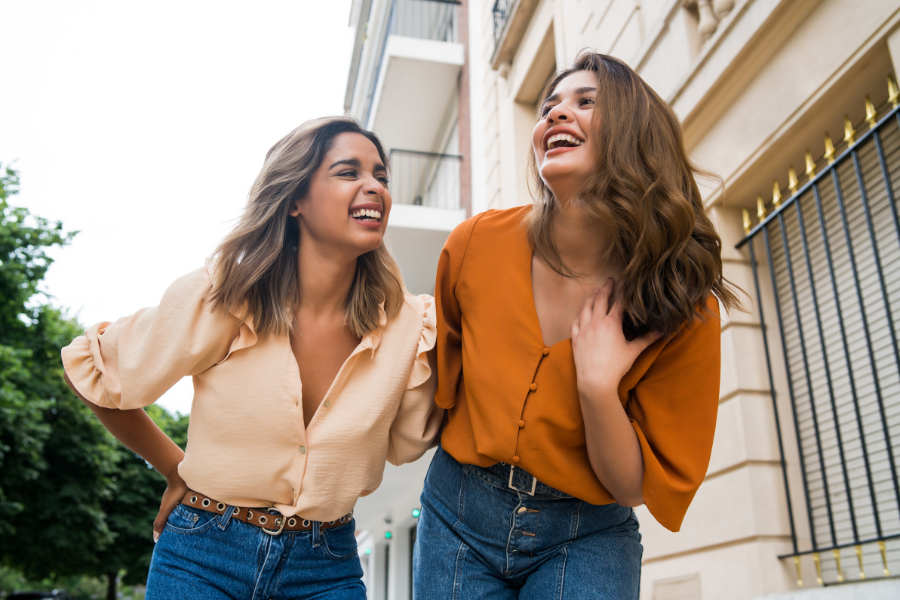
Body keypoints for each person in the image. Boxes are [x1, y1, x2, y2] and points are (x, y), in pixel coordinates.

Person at [61, 117, 442, 600]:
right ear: (295, 200)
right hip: (201, 557)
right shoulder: (227, 296)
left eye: (381, 177)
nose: (374, 187)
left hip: (325, 568)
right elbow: (92, 368)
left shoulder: (411, 325)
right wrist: (172, 466)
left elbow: (409, 441)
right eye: (349, 172)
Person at [413, 51, 742, 599]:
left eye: (585, 103)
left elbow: (631, 486)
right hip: (456, 515)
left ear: (635, 134)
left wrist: (597, 387)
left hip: (586, 532)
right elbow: (437, 386)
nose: (555, 116)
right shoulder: (474, 245)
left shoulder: (681, 302)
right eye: (548, 108)